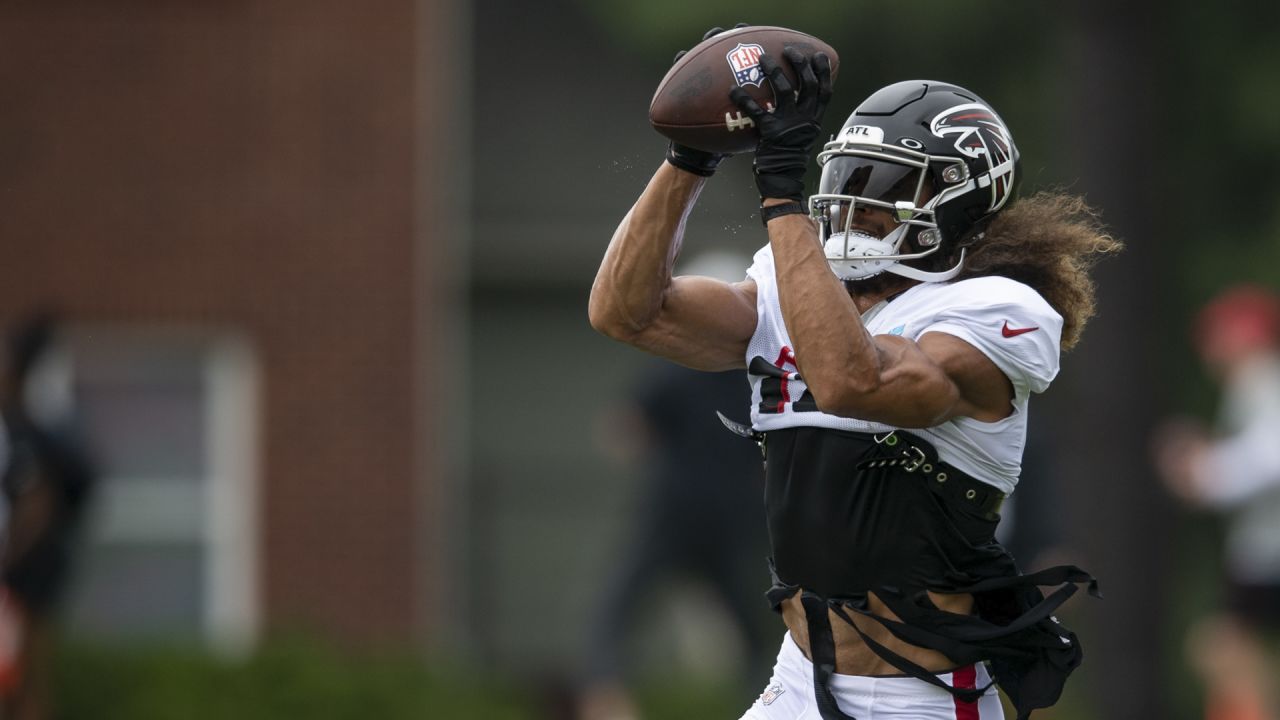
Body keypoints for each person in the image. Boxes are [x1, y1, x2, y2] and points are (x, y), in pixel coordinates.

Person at [588, 31, 1119, 720]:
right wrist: (691, 157)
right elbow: (627, 313)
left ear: (960, 200)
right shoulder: (791, 283)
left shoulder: (995, 311)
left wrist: (782, 200)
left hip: (923, 695)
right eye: (849, 178)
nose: (854, 205)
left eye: (887, 185)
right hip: (801, 677)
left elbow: (853, 384)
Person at [1153, 286, 1280, 720]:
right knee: (1225, 647)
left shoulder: (1260, 378)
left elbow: (1271, 458)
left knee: (1222, 647)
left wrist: (1202, 472)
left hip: (1268, 553)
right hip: (1260, 553)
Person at [0, 314, 95, 720]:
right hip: (28, 571)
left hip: (28, 575)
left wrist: (12, 560)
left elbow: (43, 500)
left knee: (20, 681)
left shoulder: (34, 432)